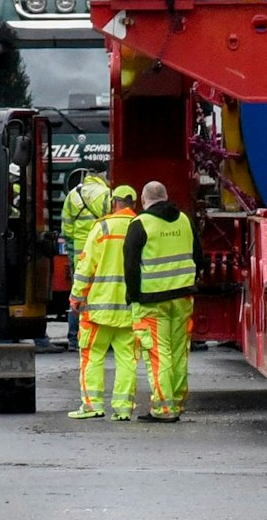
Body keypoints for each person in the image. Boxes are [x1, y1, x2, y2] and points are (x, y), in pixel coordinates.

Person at [126, 181, 203, 422]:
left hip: (151, 301)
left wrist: (133, 295)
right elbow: (199, 256)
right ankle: (177, 403)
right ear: (166, 196)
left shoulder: (140, 224)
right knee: (179, 353)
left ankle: (163, 408)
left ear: (143, 199)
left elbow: (130, 265)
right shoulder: (184, 220)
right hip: (182, 297)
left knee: (159, 355)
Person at [69, 185, 140, 420]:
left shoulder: (103, 227)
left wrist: (76, 296)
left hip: (98, 308)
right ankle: (123, 408)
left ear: (113, 202)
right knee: (127, 358)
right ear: (133, 204)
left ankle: (92, 405)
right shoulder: (140, 226)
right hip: (130, 308)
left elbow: (86, 265)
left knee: (92, 355)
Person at [59, 170, 113, 351]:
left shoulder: (73, 194)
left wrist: (72, 250)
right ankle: (102, 336)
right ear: (103, 174)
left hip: (80, 253)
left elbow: (66, 226)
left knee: (78, 294)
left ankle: (74, 338)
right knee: (102, 293)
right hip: (101, 251)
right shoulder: (106, 193)